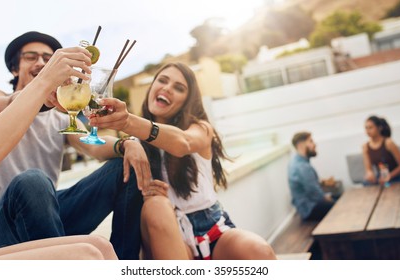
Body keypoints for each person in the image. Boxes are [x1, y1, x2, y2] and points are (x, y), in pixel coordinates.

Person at [0, 31, 151, 260]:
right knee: (32, 181)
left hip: (46, 219)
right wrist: (42, 93)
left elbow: (93, 145)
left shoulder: (63, 118)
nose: (42, 63)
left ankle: (124, 265)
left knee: (124, 167)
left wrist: (126, 144)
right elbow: (7, 104)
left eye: (48, 58)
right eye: (31, 57)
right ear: (14, 68)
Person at [89, 62, 277, 260]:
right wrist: (124, 144)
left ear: (187, 100)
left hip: (213, 227)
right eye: (162, 80)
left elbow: (183, 143)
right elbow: (95, 147)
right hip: (167, 235)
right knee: (156, 206)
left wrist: (127, 122)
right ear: (152, 87)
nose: (167, 88)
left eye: (179, 88)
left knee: (258, 250)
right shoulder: (135, 145)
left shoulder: (200, 129)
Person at [288, 131, 337, 221]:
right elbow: (315, 193)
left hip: (308, 206)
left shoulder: (299, 162)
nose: (314, 144)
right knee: (341, 205)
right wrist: (329, 198)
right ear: (301, 145)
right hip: (310, 209)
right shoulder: (302, 166)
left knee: (338, 198)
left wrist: (323, 183)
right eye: (311, 141)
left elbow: (311, 184)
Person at [362, 115, 400, 185]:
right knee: (366, 183)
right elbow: (369, 169)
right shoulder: (365, 146)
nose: (367, 131)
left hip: (395, 177)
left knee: (390, 188)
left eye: (370, 128)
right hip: (381, 179)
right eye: (366, 128)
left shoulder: (388, 143)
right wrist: (370, 174)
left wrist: (389, 176)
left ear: (379, 128)